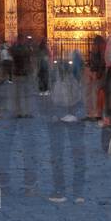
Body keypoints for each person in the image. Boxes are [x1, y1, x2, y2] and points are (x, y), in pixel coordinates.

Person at [47, 53, 86, 201]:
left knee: (57, 155)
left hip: (58, 116)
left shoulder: (53, 78)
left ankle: (59, 191)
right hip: (76, 115)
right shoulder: (77, 79)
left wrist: (56, 114)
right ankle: (79, 193)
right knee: (78, 156)